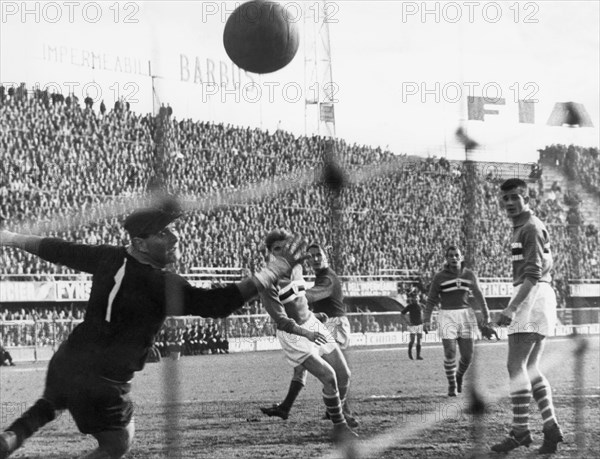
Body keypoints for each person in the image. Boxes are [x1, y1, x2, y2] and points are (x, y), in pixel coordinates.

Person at [0, 204, 306, 459]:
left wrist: (10, 236)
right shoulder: (160, 284)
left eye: (172, 229)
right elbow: (214, 304)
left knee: (49, 405)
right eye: (163, 233)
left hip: (68, 361)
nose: (174, 237)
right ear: (140, 243)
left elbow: (55, 249)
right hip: (104, 381)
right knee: (118, 443)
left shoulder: (108, 256)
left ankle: (9, 439)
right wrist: (273, 271)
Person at [258, 230, 357, 443]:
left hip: (312, 324)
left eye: (284, 247)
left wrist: (315, 316)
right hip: (294, 334)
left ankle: (335, 412)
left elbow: (300, 299)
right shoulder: (267, 282)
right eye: (276, 249)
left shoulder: (297, 268)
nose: (282, 252)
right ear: (269, 253)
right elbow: (282, 320)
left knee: (344, 375)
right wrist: (307, 333)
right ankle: (339, 426)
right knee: (329, 377)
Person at [491, 178, 564, 454]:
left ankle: (520, 431)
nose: (509, 203)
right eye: (505, 198)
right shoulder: (526, 227)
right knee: (531, 368)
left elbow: (532, 273)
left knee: (515, 366)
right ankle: (551, 426)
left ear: (527, 200)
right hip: (542, 295)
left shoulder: (530, 228)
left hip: (532, 296)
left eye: (515, 198)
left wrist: (512, 308)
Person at [423, 245, 494, 397]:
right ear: (446, 259)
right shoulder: (439, 277)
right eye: (450, 255)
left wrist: (486, 314)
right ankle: (452, 384)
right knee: (450, 351)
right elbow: (431, 299)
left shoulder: (469, 275)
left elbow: (479, 295)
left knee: (467, 356)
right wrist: (426, 319)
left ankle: (459, 375)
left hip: (466, 315)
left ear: (461, 257)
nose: (454, 258)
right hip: (447, 315)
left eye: (457, 255)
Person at [401, 287, 424, 360]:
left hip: (420, 324)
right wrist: (407, 322)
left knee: (419, 340)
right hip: (412, 325)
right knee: (412, 340)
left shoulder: (421, 306)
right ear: (413, 299)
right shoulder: (410, 306)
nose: (416, 299)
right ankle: (410, 352)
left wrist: (425, 323)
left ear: (419, 298)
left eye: (417, 297)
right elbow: (402, 314)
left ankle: (418, 355)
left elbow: (423, 315)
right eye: (415, 298)